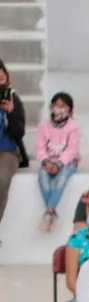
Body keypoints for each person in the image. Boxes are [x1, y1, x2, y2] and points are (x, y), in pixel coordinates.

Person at [36, 91, 81, 231]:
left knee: (60, 179)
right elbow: (39, 148)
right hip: (47, 162)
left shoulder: (74, 127)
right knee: (43, 177)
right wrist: (46, 162)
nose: (59, 109)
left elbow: (72, 150)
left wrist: (58, 164)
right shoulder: (43, 126)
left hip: (68, 163)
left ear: (70, 109)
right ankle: (52, 212)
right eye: (56, 105)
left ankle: (49, 212)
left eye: (63, 106)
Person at [0, 59, 28, 233]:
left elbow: (19, 133)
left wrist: (10, 113)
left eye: (2, 77)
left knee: (1, 179)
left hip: (8, 151)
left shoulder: (13, 98)